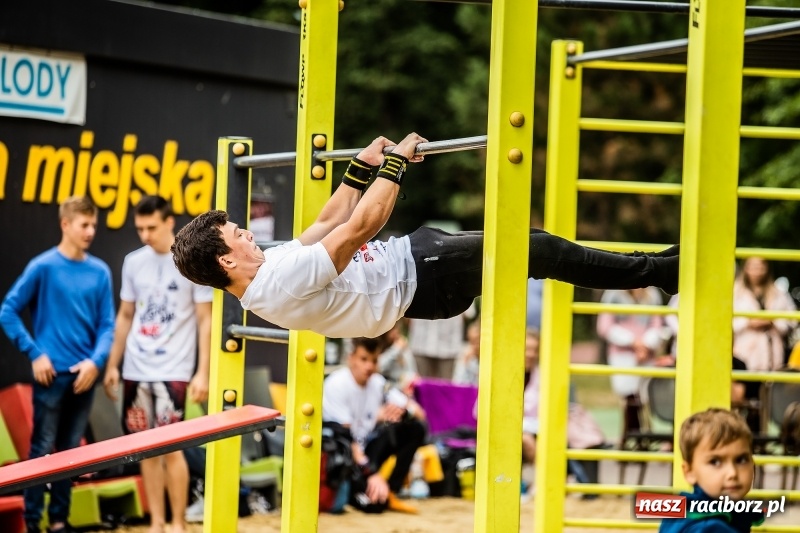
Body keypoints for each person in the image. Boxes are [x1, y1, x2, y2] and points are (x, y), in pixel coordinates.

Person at [171, 133, 680, 340]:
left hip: (416, 270)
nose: (246, 232)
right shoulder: (276, 284)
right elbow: (359, 228)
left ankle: (655, 269)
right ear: (226, 263)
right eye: (236, 234)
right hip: (420, 274)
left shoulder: (271, 275)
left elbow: (326, 222)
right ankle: (659, 272)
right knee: (538, 249)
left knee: (535, 247)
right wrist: (395, 164)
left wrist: (358, 168)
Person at [0, 196, 115, 533]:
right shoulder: (43, 266)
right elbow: (7, 310)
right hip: (50, 376)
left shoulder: (100, 272)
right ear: (65, 224)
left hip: (84, 376)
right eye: (84, 224)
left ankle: (60, 522)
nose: (91, 231)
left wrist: (96, 362)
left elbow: (107, 325)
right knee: (41, 449)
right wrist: (35, 353)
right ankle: (33, 522)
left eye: (94, 224)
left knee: (71, 452)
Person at [103, 196, 212, 533]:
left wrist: (203, 371)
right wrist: (112, 365)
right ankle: (157, 522)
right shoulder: (133, 262)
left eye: (151, 227)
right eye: (139, 228)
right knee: (143, 449)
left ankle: (178, 522)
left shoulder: (189, 261)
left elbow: (204, 319)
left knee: (172, 448)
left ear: (169, 222)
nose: (145, 235)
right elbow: (124, 315)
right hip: (136, 366)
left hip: (174, 369)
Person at [322, 337, 426, 514]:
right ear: (351, 358)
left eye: (374, 360)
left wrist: (401, 412)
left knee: (415, 428)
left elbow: (420, 414)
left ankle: (392, 489)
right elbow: (347, 439)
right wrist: (370, 473)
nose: (369, 366)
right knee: (376, 505)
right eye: (364, 359)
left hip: (367, 450)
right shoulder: (336, 384)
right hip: (347, 456)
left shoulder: (377, 382)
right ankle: (369, 489)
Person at [659, 408, 762, 532]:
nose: (732, 473)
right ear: (689, 472)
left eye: (741, 460)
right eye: (715, 462)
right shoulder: (709, 528)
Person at [596, 287, 672, 433]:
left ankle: (644, 435)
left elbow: (657, 324)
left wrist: (645, 344)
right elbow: (605, 326)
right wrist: (633, 342)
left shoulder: (652, 294)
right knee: (628, 398)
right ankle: (632, 435)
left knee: (645, 397)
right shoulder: (613, 294)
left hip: (646, 355)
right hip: (622, 355)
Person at [733, 257, 796, 373]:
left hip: (773, 351)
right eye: (753, 267)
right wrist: (748, 323)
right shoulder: (736, 292)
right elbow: (726, 320)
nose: (757, 271)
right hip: (744, 350)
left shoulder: (779, 293)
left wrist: (773, 322)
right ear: (746, 268)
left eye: (761, 266)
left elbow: (792, 318)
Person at [452, 320, 481, 386]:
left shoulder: (487, 360)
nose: (475, 347)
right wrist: (464, 362)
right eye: (472, 342)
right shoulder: (467, 356)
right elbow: (457, 382)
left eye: (477, 342)